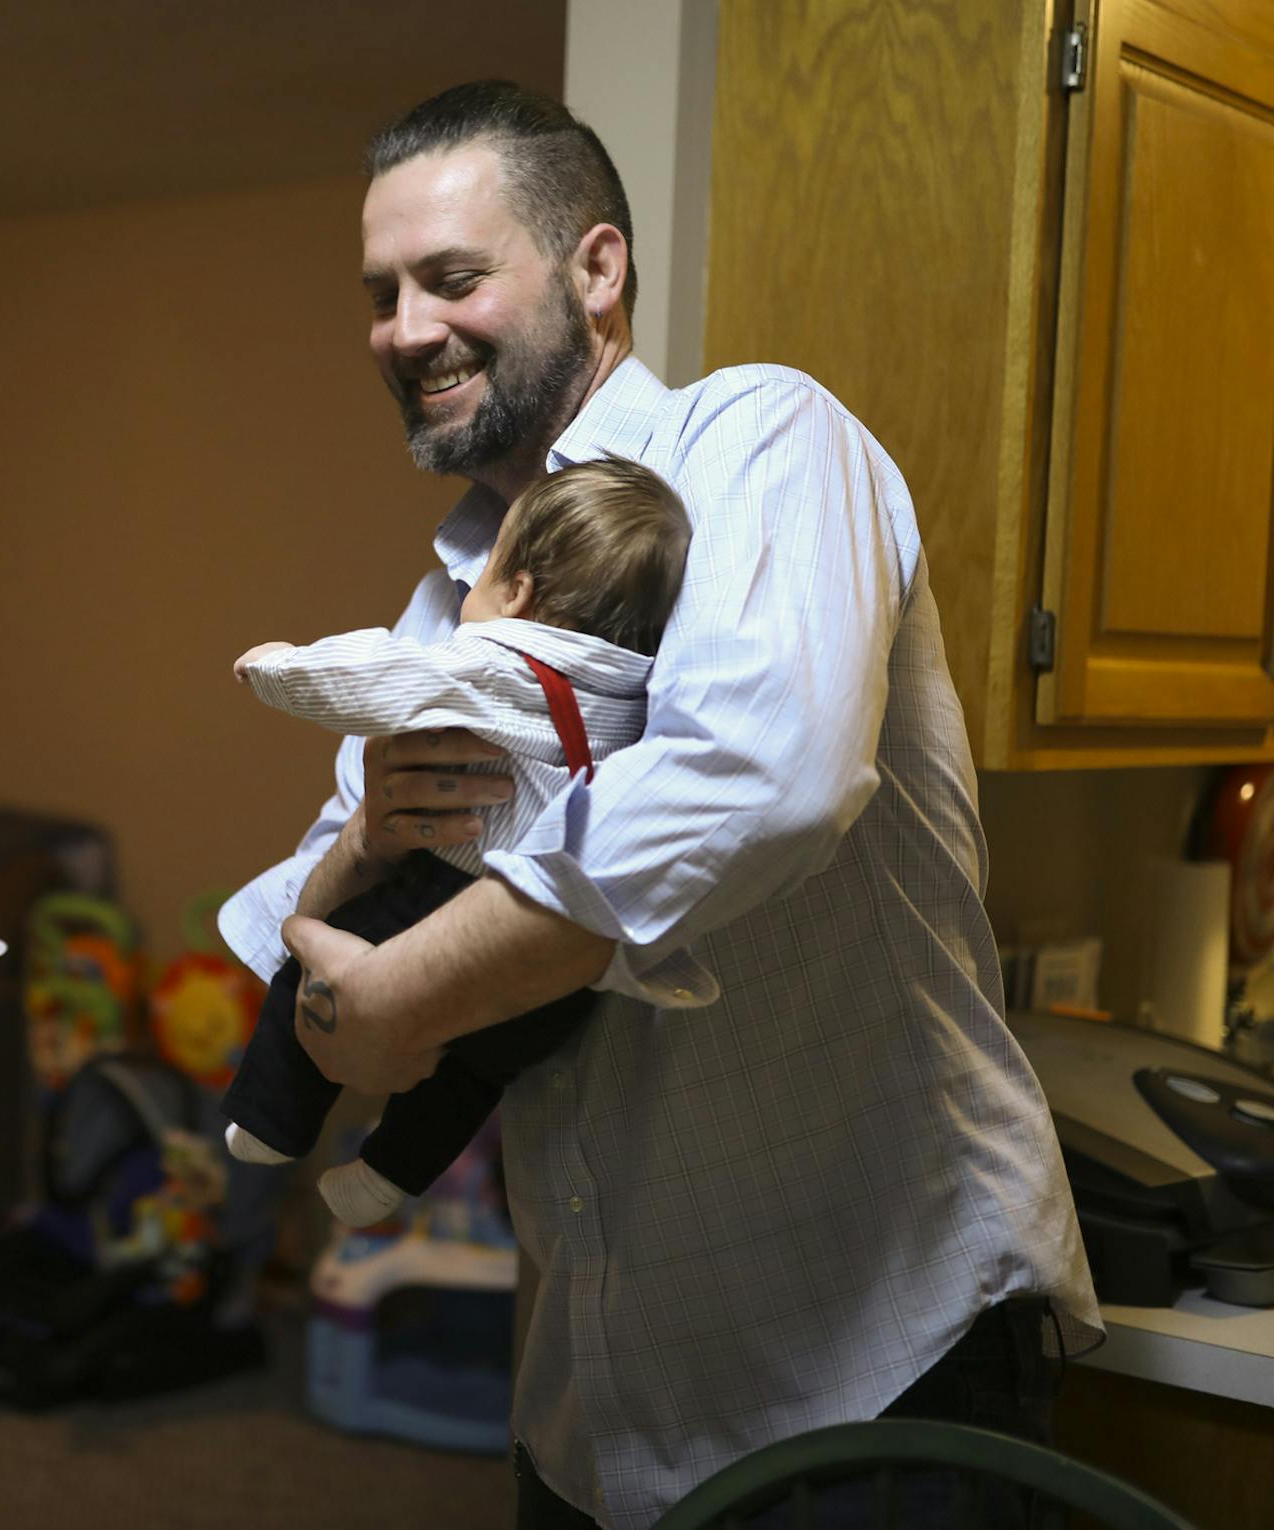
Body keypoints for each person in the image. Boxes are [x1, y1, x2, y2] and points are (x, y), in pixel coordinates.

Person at [218, 81, 1100, 1530]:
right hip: (590, 1416)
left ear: (598, 268)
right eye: (380, 293)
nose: (403, 329)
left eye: (451, 277)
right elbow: (323, 910)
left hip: (871, 1374)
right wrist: (369, 857)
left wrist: (400, 1001)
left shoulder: (760, 440)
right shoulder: (448, 607)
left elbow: (763, 776)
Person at [220, 460, 688, 1230]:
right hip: (552, 981)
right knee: (475, 1073)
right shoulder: (633, 696)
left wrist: (281, 669)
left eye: (485, 571)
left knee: (306, 961)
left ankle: (270, 1123)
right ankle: (386, 1176)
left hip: (449, 901)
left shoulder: (495, 662)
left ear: (519, 593)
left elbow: (377, 678)